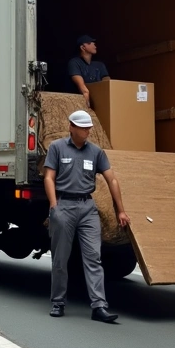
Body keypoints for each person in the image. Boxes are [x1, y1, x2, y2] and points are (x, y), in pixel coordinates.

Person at [43, 110, 130, 323]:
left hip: (88, 207)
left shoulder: (96, 152)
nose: (87, 131)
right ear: (71, 127)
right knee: (61, 258)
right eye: (82, 127)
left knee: (93, 257)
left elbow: (112, 180)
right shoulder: (57, 147)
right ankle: (58, 301)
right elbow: (49, 177)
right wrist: (54, 206)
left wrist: (120, 209)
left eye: (89, 127)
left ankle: (99, 306)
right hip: (64, 205)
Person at [68, 35, 111, 107]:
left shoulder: (100, 65)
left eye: (93, 42)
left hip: (99, 100)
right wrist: (87, 106)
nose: (94, 44)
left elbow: (107, 83)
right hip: (80, 102)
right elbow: (83, 89)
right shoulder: (74, 63)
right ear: (82, 47)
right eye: (89, 43)